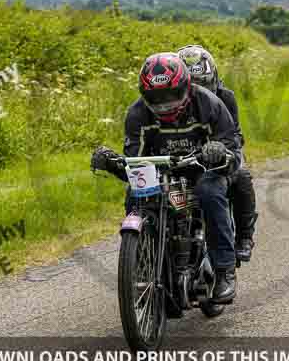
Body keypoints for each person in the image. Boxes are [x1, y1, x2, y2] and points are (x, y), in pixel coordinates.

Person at [91, 52, 241, 304]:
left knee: (210, 193)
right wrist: (111, 161)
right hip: (160, 171)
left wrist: (218, 151)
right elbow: (133, 162)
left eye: (171, 96)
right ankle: (142, 263)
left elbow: (232, 147)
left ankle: (225, 270)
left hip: (204, 170)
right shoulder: (137, 114)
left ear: (185, 86)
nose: (165, 105)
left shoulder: (210, 104)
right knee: (135, 195)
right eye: (156, 99)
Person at [177, 45, 258, 263]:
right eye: (190, 85)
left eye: (202, 83)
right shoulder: (172, 104)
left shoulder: (225, 98)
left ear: (213, 78)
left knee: (242, 177)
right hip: (182, 156)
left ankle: (244, 237)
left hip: (219, 153)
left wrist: (218, 149)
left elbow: (235, 136)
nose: (197, 90)